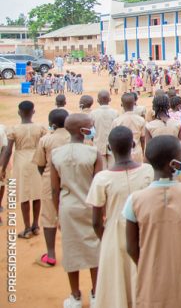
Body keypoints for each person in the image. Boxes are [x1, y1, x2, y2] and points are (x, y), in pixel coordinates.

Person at [124, 135, 181, 308]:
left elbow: (131, 247)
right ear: (173, 164)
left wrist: (147, 263)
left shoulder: (135, 200)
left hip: (150, 272)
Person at [87, 126, 153, 308]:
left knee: (117, 283)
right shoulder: (148, 171)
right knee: (142, 278)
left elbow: (96, 222)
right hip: (143, 232)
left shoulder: (101, 179)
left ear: (109, 148)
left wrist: (106, 238)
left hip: (113, 234)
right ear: (133, 145)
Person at [50, 113, 103, 308]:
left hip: (68, 208)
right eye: (91, 125)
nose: (93, 128)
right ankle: (96, 294)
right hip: (91, 207)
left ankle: (75, 296)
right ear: (83, 130)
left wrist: (58, 212)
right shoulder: (93, 153)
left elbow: (54, 189)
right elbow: (99, 186)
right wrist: (102, 213)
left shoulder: (56, 154)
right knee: (95, 251)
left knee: (70, 250)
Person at [0, 100, 46, 238]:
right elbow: (44, 147)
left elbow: (8, 151)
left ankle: (27, 228)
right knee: (37, 194)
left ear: (19, 112)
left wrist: (3, 168)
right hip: (37, 160)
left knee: (24, 195)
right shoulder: (40, 128)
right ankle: (36, 225)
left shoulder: (14, 129)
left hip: (21, 161)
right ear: (33, 112)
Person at [33, 108, 71, 267]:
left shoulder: (46, 140)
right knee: (71, 215)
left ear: (52, 124)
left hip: (49, 181)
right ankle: (72, 253)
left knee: (49, 216)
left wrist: (48, 176)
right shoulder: (74, 137)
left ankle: (50, 255)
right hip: (72, 180)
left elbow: (40, 165)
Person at [111, 93, 147, 163]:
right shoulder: (141, 120)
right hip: (137, 152)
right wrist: (142, 151)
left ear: (121, 104)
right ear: (134, 103)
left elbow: (113, 139)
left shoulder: (117, 121)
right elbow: (142, 139)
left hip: (122, 154)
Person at [91, 91, 119, 168]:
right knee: (113, 168)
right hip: (113, 145)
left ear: (97, 100)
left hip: (98, 144)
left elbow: (91, 131)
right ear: (110, 99)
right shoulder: (115, 113)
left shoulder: (93, 113)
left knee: (101, 169)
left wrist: (94, 139)